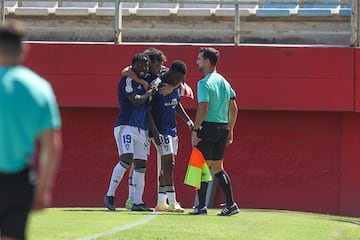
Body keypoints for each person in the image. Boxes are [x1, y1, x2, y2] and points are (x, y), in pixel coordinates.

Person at [0, 20, 62, 239]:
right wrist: (43, 189)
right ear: (23, 49)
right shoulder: (40, 88)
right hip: (18, 182)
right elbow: (51, 145)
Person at [189, 47, 240, 216]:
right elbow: (234, 108)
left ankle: (201, 207)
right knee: (218, 168)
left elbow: (203, 107)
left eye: (199, 59)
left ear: (207, 62)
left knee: (202, 166)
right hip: (223, 127)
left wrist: (195, 129)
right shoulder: (225, 82)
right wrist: (230, 129)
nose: (197, 62)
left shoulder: (204, 83)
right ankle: (231, 205)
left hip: (208, 127)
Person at [104, 53, 156, 212]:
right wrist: (149, 93)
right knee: (126, 159)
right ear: (133, 65)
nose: (144, 68)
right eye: (140, 64)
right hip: (126, 125)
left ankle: (137, 201)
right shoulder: (127, 80)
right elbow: (135, 100)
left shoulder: (147, 80)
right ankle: (110, 195)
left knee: (141, 165)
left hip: (142, 128)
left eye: (146, 65)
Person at [121, 47, 168, 210]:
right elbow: (125, 70)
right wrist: (143, 83)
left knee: (145, 163)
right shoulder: (142, 75)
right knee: (136, 162)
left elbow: (177, 76)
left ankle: (156, 200)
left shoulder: (162, 73)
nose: (159, 68)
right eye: (156, 65)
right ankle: (131, 198)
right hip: (146, 124)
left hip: (157, 124)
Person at [147, 60, 193, 213]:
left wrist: (188, 121)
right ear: (172, 73)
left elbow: (176, 103)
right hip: (161, 130)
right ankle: (173, 202)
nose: (180, 83)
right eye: (178, 79)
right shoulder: (158, 84)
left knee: (166, 167)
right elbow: (148, 109)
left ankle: (161, 202)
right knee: (169, 164)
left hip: (172, 129)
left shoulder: (174, 85)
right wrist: (155, 131)